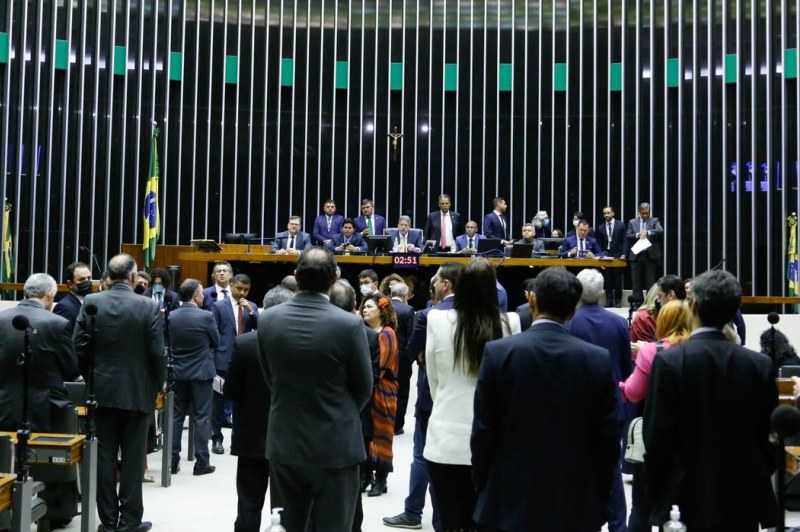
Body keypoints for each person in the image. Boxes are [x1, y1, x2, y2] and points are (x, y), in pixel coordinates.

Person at [471, 267, 619, 531]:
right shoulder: (597, 359)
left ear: (532, 300)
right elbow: (607, 440)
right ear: (573, 311)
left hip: (511, 497)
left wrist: (484, 486)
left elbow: (484, 432)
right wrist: (598, 496)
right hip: (575, 500)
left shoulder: (499, 353)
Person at [644, 270, 778, 530]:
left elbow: (657, 437)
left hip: (683, 497)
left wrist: (658, 493)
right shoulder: (759, 365)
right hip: (741, 496)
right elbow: (768, 439)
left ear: (693, 306)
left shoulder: (670, 361)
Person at [257, 248, 372, 531]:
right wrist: (338, 412)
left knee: (287, 526)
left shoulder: (268, 319)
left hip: (285, 441)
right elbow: (363, 388)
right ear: (335, 277)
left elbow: (270, 378)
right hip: (336, 444)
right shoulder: (350, 324)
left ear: (296, 275)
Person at [424, 258, 519, 530]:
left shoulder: (437, 319)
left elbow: (434, 380)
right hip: (496, 441)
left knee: (451, 521)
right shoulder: (509, 322)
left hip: (446, 437)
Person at [73, 254, 166, 532]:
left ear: (109, 276)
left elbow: (78, 345)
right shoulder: (148, 305)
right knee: (134, 458)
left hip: (100, 391)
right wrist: (157, 385)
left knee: (104, 457)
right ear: (135, 277)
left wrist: (92, 376)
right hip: (138, 391)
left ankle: (108, 521)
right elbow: (157, 352)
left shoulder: (92, 302)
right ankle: (130, 521)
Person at [383, 263, 463, 531]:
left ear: (446, 285)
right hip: (466, 398)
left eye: (436, 281)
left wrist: (423, 357)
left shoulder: (429, 315)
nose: (432, 285)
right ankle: (446, 517)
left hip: (431, 392)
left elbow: (411, 351)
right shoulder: (479, 314)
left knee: (421, 454)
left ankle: (413, 512)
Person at [0, 273, 83, 529]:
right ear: (49, 295)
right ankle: (53, 514)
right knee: (51, 464)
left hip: (3, 403)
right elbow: (70, 369)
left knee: (6, 461)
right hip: (47, 407)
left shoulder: (1, 318)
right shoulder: (57, 323)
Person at [565, 268, 632, 532]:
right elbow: (626, 367)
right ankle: (618, 526)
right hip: (612, 403)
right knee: (612, 469)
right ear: (603, 292)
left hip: (578, 405)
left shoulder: (569, 323)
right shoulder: (619, 323)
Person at [224, 286, 293, 532]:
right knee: (287, 506)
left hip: (251, 435)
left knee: (248, 502)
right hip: (288, 437)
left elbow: (230, 390)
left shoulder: (244, 343)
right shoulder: (300, 344)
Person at [619, 299, 691, 532]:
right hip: (691, 437)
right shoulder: (697, 350)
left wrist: (620, 386)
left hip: (655, 436)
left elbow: (634, 393)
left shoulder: (651, 351)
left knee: (642, 506)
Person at [169, 279, 219, 476]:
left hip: (178, 373)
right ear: (196, 295)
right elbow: (216, 341)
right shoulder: (206, 316)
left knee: (176, 416)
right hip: (201, 373)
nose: (203, 296)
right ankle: (202, 462)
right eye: (202, 293)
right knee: (201, 417)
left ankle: (172, 460)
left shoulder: (172, 316)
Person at [209, 273, 259, 454]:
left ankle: (237, 439)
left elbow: (260, 328)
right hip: (222, 360)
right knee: (218, 404)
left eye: (246, 290)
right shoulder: (218, 306)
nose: (242, 293)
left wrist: (252, 312)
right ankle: (216, 439)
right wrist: (211, 361)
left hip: (244, 361)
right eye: (239, 288)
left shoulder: (252, 306)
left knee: (242, 404)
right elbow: (213, 335)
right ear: (231, 286)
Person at [358, 293, 400, 497]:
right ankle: (366, 474)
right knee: (366, 433)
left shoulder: (387, 333)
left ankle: (381, 478)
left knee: (382, 433)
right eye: (364, 307)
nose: (365, 310)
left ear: (381, 311)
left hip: (383, 389)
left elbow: (381, 366)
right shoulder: (362, 331)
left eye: (370, 307)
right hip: (368, 387)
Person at [626, 203, 664, 304]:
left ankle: (649, 302)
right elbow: (628, 236)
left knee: (650, 281)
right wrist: (638, 235)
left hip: (650, 255)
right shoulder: (632, 222)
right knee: (636, 281)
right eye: (643, 213)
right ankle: (637, 302)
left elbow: (660, 230)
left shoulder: (654, 220)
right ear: (639, 212)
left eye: (647, 213)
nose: (645, 215)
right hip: (637, 255)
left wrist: (648, 232)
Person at [596, 206, 628, 307]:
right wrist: (600, 255)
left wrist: (624, 254)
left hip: (618, 254)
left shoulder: (620, 225)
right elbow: (599, 244)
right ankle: (609, 300)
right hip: (606, 254)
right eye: (604, 213)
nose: (606, 215)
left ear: (613, 213)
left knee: (618, 278)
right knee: (607, 278)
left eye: (608, 213)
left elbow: (625, 241)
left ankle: (618, 300)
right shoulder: (600, 228)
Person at [53, 261, 93, 335]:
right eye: (82, 279)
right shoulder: (63, 307)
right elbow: (64, 336)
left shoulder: (93, 301)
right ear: (70, 284)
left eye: (89, 278)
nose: (87, 281)